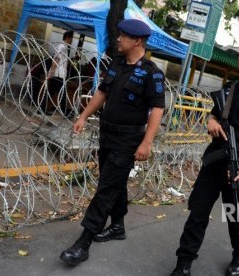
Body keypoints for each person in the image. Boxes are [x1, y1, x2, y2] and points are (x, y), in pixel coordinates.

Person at [170, 36, 239, 276]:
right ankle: (184, 261)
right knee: (198, 212)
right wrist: (210, 121)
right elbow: (213, 114)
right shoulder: (228, 88)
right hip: (215, 159)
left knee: (237, 216)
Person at [59, 19, 165, 266]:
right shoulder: (116, 64)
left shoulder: (152, 72)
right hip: (108, 134)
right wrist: (83, 116)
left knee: (106, 187)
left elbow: (157, 109)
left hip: (129, 139)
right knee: (112, 181)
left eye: (123, 36)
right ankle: (117, 225)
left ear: (137, 40)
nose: (118, 39)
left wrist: (146, 143)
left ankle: (84, 241)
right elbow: (102, 93)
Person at [42, 30, 74, 116]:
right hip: (58, 74)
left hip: (60, 74)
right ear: (68, 38)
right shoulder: (62, 47)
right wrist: (50, 73)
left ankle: (41, 108)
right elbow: (56, 60)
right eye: (71, 39)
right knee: (61, 93)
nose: (72, 41)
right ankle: (65, 112)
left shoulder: (65, 47)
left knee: (53, 92)